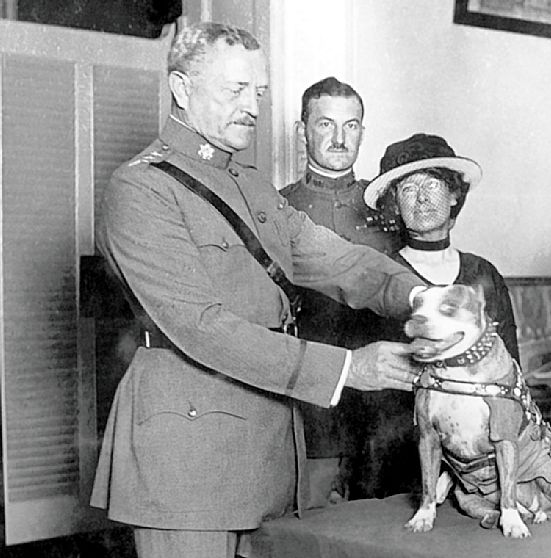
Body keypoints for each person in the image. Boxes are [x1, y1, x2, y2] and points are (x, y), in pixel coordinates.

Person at [89, 22, 425, 558]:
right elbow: (203, 329)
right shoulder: (140, 189)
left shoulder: (252, 185)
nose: (252, 106)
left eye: (260, 92)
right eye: (235, 90)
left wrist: (420, 297)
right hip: (188, 468)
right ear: (181, 89)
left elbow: (334, 257)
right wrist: (348, 369)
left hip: (267, 452)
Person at [361, 132, 520, 497]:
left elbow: (511, 377)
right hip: (398, 464)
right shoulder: (378, 276)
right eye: (407, 188)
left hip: (479, 470)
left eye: (432, 184)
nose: (421, 197)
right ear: (394, 204)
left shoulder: (483, 275)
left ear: (453, 195)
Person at [280, 77, 403, 505]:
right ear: (302, 131)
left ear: (363, 133)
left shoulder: (389, 210)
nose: (338, 138)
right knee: (312, 526)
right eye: (326, 124)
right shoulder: (277, 210)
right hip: (312, 404)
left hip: (385, 406)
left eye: (350, 126)